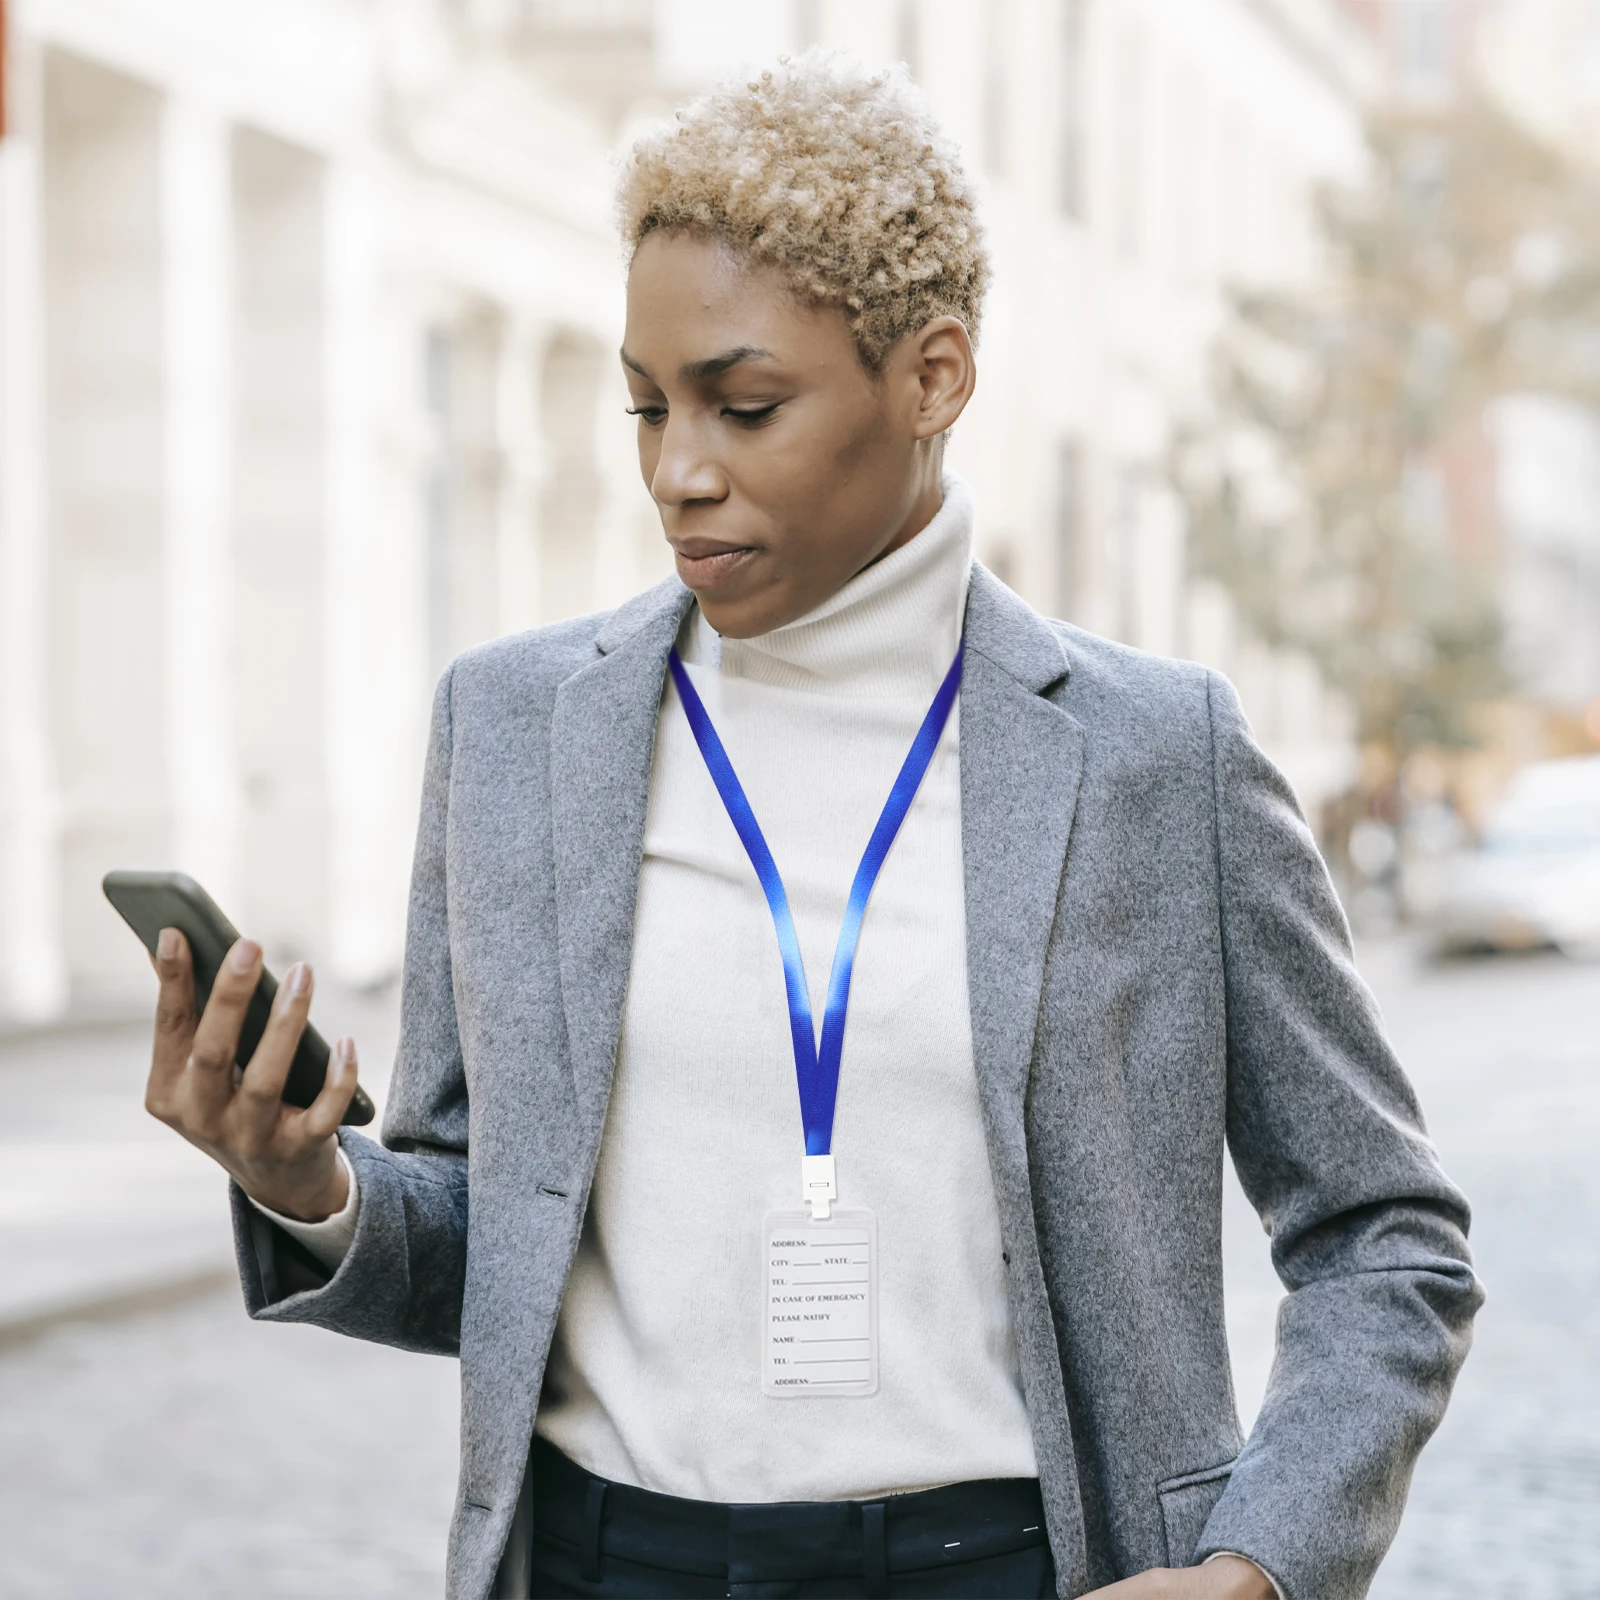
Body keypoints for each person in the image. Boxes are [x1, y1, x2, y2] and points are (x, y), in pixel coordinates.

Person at [143, 54, 1481, 1600]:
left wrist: (1257, 1564)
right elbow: (484, 1242)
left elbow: (1389, 1238)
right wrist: (306, 1185)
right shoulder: (515, 731)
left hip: (1014, 1565)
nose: (677, 471)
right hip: (601, 1562)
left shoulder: (1154, 760)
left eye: (745, 403)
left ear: (934, 377)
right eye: (646, 406)